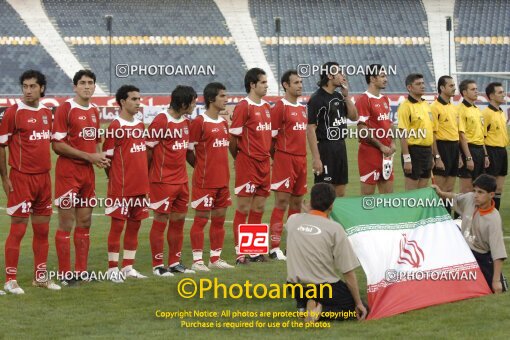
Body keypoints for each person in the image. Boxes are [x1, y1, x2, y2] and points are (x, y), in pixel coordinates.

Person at [0, 70, 60, 294]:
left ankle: (40, 277)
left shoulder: (47, 113)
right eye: (25, 86)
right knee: (18, 229)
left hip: (44, 179)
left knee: (42, 230)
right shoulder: (13, 113)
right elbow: (1, 145)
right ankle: (10, 279)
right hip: (21, 179)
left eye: (32, 86)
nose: (27, 90)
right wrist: (5, 178)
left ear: (42, 88)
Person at [52, 69, 109, 284]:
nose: (87, 86)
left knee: (85, 222)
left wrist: (99, 156)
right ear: (75, 86)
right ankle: (65, 274)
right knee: (66, 223)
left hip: (87, 174)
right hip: (68, 172)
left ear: (94, 86)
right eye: (83, 83)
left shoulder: (95, 110)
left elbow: (95, 142)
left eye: (90, 82)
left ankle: (81, 271)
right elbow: (57, 145)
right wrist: (89, 156)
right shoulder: (65, 109)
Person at [286, 183, 367, 322]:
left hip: (294, 286)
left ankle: (304, 304)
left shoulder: (292, 220)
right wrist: (358, 303)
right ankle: (320, 311)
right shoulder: (335, 229)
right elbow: (348, 272)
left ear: (310, 201)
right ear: (331, 205)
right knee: (353, 307)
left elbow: (306, 222)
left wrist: (307, 210)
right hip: (322, 287)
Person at [146, 85, 197, 277]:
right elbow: (148, 150)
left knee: (178, 221)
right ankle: (158, 265)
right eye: (192, 102)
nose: (194, 105)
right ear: (183, 103)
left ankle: (175, 262)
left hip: (181, 181)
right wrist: (145, 177)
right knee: (160, 221)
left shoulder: (186, 122)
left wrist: (201, 169)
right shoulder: (161, 121)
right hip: (162, 181)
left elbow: (188, 153)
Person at [103, 85, 149, 282]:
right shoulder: (115, 126)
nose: (138, 102)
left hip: (140, 187)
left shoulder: (140, 125)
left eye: (139, 99)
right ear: (122, 102)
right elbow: (107, 159)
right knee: (117, 227)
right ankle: (112, 269)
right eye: (134, 99)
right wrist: (115, 179)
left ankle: (128, 267)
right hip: (121, 188)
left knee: (134, 226)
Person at [433, 174, 507, 293]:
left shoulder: (494, 219)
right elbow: (455, 197)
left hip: (481, 255)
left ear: (491, 195)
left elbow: (498, 253)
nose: (476, 195)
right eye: (475, 191)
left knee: (500, 289)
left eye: (481, 192)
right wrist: (440, 193)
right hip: (463, 250)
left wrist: (496, 280)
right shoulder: (470, 198)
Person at [188, 82, 234, 271]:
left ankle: (215, 258)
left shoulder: (223, 122)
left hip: (223, 180)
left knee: (219, 219)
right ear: (211, 99)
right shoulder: (199, 122)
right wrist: (201, 168)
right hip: (205, 181)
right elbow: (189, 151)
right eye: (222, 96)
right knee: (200, 219)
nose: (226, 99)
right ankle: (197, 260)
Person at [229, 68, 272, 264]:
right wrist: (238, 159)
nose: (266, 86)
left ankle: (254, 250)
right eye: (262, 82)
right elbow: (233, 138)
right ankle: (240, 253)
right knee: (244, 208)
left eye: (266, 82)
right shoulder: (243, 107)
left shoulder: (266, 107)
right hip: (248, 163)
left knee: (259, 207)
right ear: (252, 85)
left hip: (264, 164)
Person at [268, 70, 307, 261]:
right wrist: (278, 158)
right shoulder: (279, 107)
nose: (300, 85)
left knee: (297, 204)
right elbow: (271, 139)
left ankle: (293, 245)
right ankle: (274, 247)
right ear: (286, 85)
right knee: (281, 202)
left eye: (301, 82)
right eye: (296, 83)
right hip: (285, 159)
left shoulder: (301, 108)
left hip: (301, 159)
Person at [306, 62, 358, 197]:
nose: (343, 75)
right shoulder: (317, 99)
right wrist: (316, 159)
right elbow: (311, 129)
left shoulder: (339, 96)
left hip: (341, 147)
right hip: (326, 149)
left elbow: (354, 117)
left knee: (340, 192)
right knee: (324, 193)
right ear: (329, 75)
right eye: (339, 72)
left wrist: (346, 96)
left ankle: (333, 219)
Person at [356, 64, 395, 195]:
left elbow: (389, 123)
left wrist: (393, 143)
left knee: (388, 199)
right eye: (382, 76)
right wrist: (380, 146)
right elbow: (362, 130)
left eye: (386, 76)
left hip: (386, 153)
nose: (386, 79)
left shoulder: (385, 99)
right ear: (372, 79)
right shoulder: (363, 100)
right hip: (370, 153)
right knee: (368, 199)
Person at [398, 73, 434, 190]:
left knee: (422, 193)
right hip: (414, 152)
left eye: (423, 83)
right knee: (411, 195)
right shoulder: (405, 106)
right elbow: (402, 134)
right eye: (418, 84)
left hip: (427, 152)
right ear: (410, 87)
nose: (422, 86)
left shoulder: (426, 105)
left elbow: (430, 132)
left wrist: (432, 156)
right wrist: (407, 159)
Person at [431, 75, 459, 213]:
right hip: (442, 148)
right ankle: (437, 222)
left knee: (449, 189)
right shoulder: (435, 107)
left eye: (454, 85)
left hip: (454, 148)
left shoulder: (453, 108)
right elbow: (433, 134)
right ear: (442, 88)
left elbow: (456, 133)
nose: (454, 88)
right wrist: (437, 157)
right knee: (439, 190)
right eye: (451, 86)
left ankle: (448, 221)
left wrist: (458, 155)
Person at [457, 79, 489, 194]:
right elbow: (461, 135)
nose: (476, 91)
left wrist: (485, 154)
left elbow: (481, 136)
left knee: (478, 189)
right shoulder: (460, 110)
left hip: (480, 150)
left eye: (476, 89)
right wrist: (468, 157)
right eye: (473, 89)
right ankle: (460, 213)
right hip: (469, 150)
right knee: (466, 190)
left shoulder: (477, 110)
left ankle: (474, 212)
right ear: (464, 92)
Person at [482, 82, 508, 210]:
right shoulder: (486, 113)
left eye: (503, 92)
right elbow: (482, 137)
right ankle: (486, 214)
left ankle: (494, 215)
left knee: (499, 188)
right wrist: (486, 154)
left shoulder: (501, 112)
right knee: (490, 186)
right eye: (500, 92)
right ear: (491, 96)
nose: (504, 95)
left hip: (502, 151)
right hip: (492, 151)